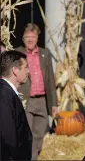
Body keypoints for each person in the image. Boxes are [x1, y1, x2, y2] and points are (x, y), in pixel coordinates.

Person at [16, 23, 58, 160]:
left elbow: (50, 80)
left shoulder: (45, 54)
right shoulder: (16, 54)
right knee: (25, 135)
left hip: (42, 100)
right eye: (27, 37)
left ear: (37, 38)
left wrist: (53, 104)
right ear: (23, 38)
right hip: (25, 100)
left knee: (39, 136)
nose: (30, 40)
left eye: (33, 37)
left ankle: (32, 158)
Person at [0, 50, 32, 160]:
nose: (28, 71)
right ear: (15, 70)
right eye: (25, 67)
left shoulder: (8, 92)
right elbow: (8, 136)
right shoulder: (4, 94)